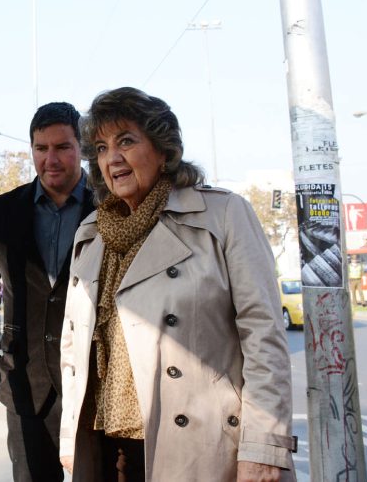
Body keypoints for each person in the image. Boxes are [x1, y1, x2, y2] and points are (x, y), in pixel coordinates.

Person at [59, 88, 295, 482]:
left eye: (126, 141)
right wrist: (70, 437)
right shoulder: (92, 233)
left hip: (203, 449)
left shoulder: (222, 216)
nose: (112, 158)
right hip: (108, 447)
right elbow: (73, 345)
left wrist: (265, 445)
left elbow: (264, 337)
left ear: (164, 149)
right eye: (100, 148)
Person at [0, 101, 93, 482]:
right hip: (25, 386)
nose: (51, 159)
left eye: (62, 147)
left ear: (82, 147)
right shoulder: (2, 212)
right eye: (41, 148)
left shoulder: (108, 206)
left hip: (94, 385)